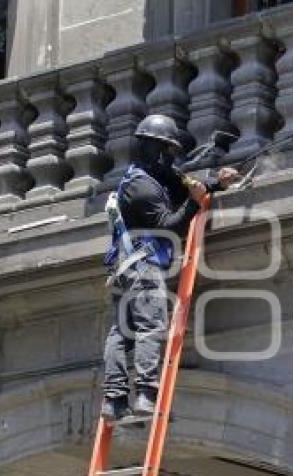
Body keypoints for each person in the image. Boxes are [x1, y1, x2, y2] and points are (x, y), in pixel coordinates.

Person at [101, 114, 238, 421]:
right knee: (151, 326)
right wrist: (194, 203)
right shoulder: (141, 188)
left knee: (121, 333)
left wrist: (215, 183)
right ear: (154, 148)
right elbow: (169, 226)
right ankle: (146, 396)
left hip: (127, 268)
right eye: (167, 149)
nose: (171, 157)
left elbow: (183, 186)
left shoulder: (148, 177)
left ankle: (114, 401)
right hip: (142, 268)